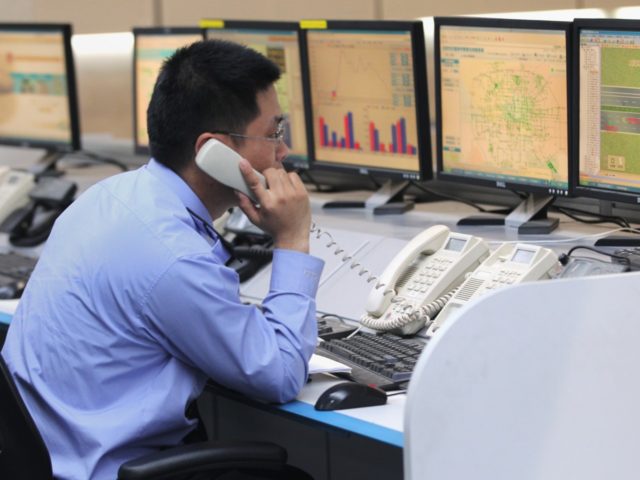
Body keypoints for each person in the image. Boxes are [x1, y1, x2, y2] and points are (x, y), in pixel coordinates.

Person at [1, 39, 324, 480]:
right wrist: (291, 238)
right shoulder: (173, 257)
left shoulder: (108, 198)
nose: (283, 153)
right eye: (273, 134)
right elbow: (281, 374)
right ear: (215, 151)